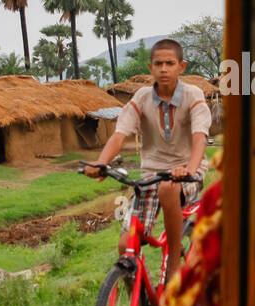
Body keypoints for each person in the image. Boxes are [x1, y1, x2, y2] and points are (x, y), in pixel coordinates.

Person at [84, 39, 209, 286]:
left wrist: (190, 170)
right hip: (150, 175)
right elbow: (119, 134)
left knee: (169, 188)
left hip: (186, 174)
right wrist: (101, 163)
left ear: (181, 66)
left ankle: (174, 260)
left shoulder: (194, 95)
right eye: (158, 64)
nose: (164, 69)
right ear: (150, 67)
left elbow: (200, 138)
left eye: (170, 63)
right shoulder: (141, 98)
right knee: (125, 246)